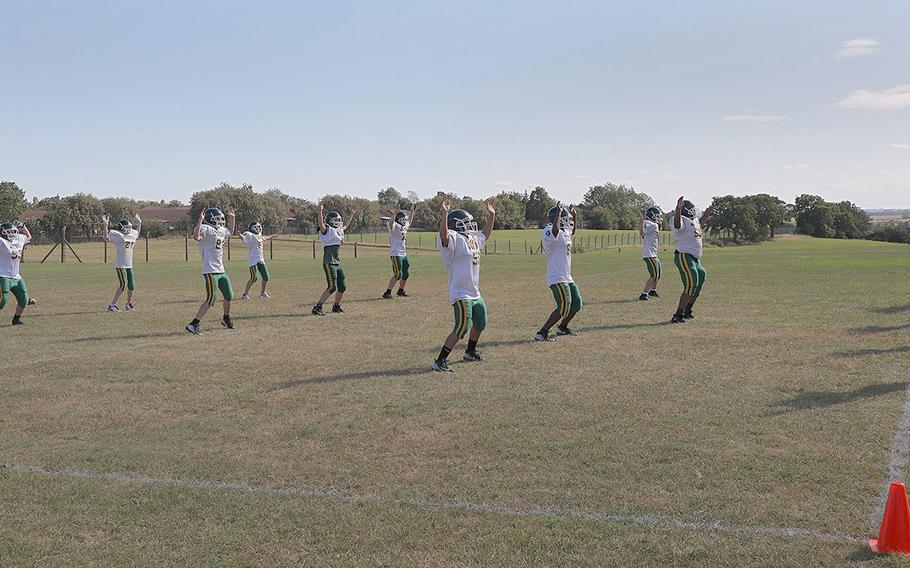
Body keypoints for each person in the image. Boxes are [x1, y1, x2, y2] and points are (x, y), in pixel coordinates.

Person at [432, 197, 495, 372]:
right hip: (460, 292)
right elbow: (444, 235)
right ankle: (439, 361)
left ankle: (470, 351)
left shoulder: (471, 239)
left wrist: (491, 216)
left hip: (474, 292)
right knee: (461, 327)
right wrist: (444, 214)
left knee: (480, 322)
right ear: (456, 225)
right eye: (465, 223)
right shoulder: (453, 238)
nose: (469, 226)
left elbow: (485, 235)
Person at [534, 203, 582, 342]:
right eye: (564, 218)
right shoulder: (548, 230)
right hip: (556, 275)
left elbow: (572, 232)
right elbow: (555, 232)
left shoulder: (565, 232)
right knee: (564, 305)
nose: (568, 221)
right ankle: (542, 332)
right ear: (558, 218)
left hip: (567, 276)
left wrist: (576, 216)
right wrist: (559, 214)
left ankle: (562, 327)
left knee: (576, 303)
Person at [185, 207, 237, 335]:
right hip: (210, 270)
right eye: (217, 219)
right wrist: (200, 221)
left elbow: (230, 231)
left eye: (221, 219)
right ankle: (194, 324)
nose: (220, 221)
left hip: (221, 270)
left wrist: (232, 218)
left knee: (229, 295)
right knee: (211, 299)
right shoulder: (205, 228)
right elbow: (196, 237)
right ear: (209, 219)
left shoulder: (219, 230)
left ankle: (226, 318)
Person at [671, 197, 713, 324]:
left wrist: (707, 214)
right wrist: (678, 210)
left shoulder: (693, 220)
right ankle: (678, 315)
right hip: (684, 255)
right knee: (691, 283)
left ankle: (687, 310)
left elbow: (699, 224)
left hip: (694, 257)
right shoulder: (679, 219)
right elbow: (678, 224)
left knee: (700, 278)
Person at [312, 202, 357, 316]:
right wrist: (320, 211)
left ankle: (336, 306)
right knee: (332, 287)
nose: (338, 222)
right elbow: (321, 223)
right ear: (331, 221)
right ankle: (318, 307)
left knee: (342, 286)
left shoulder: (338, 230)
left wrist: (352, 214)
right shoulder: (327, 230)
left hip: (337, 263)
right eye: (336, 220)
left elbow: (345, 225)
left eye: (339, 220)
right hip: (329, 262)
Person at [101, 213, 141, 311]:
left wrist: (139, 223)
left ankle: (128, 304)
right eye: (127, 227)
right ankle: (112, 305)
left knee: (131, 285)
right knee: (123, 285)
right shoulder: (118, 235)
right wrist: (105, 225)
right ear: (122, 227)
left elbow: (137, 234)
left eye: (129, 227)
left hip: (129, 264)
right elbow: (105, 237)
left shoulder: (131, 234)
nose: (129, 229)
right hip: (121, 265)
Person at [0, 221, 34, 325]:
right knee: (2, 301)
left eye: (14, 231)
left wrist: (23, 226)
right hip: (3, 276)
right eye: (9, 232)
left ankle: (16, 319)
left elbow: (29, 237)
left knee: (23, 299)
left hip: (16, 276)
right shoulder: (1, 241)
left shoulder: (19, 239)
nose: (12, 234)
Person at [383, 203, 416, 299]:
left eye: (404, 220)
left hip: (403, 253)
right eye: (403, 220)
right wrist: (395, 213)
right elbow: (390, 223)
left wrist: (412, 211)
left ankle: (400, 291)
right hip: (396, 253)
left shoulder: (404, 226)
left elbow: (410, 220)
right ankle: (387, 292)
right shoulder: (394, 225)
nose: (404, 221)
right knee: (398, 274)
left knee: (405, 274)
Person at [240, 220, 276, 300]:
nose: (258, 229)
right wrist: (239, 235)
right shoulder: (250, 235)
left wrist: (271, 236)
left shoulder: (259, 235)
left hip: (260, 259)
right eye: (256, 227)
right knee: (254, 278)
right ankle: (245, 294)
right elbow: (244, 237)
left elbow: (264, 238)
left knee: (266, 277)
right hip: (253, 260)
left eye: (259, 227)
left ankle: (263, 293)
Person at [639, 207, 662, 301]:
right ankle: (644, 294)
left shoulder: (651, 224)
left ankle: (653, 290)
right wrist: (641, 221)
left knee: (658, 272)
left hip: (653, 253)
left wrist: (642, 222)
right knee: (654, 275)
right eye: (657, 216)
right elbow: (642, 233)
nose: (658, 218)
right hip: (650, 254)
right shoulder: (651, 224)